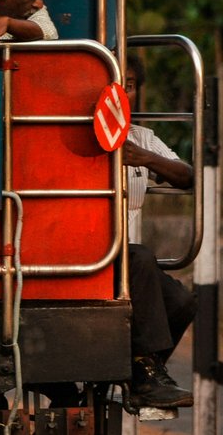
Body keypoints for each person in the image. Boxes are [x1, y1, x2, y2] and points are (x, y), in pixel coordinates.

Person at [122, 55, 195, 408]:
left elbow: (186, 175)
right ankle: (144, 375)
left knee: (181, 301)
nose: (123, 92)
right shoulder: (72, 131)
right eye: (116, 83)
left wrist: (146, 158)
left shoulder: (141, 137)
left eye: (130, 85)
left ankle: (143, 373)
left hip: (128, 263)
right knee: (140, 258)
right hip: (90, 253)